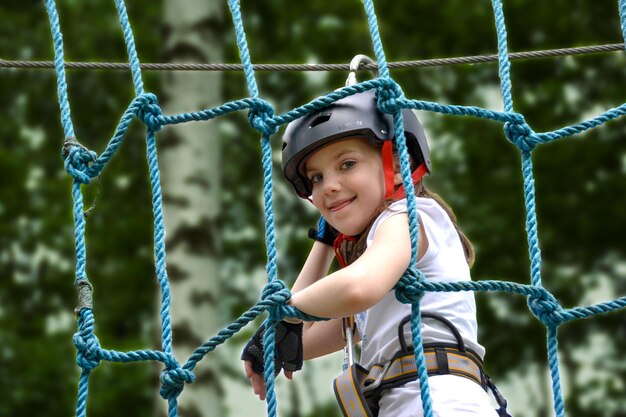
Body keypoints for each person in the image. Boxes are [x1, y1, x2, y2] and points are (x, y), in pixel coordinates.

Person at [241, 89, 506, 416]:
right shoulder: (383, 272)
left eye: (347, 164)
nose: (329, 186)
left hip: (442, 403)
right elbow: (301, 338)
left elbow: (356, 288)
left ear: (397, 167)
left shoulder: (409, 216)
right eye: (316, 178)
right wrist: (324, 241)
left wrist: (288, 312)